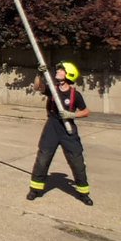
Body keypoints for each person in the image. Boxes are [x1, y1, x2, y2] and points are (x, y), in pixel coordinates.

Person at [27, 60, 93, 206]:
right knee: (43, 159)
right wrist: (39, 73)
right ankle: (35, 189)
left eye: (61, 70)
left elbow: (86, 111)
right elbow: (38, 87)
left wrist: (72, 115)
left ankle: (83, 193)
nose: (57, 71)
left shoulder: (75, 94)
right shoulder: (52, 89)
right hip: (52, 126)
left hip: (68, 128)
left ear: (68, 74)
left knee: (77, 161)